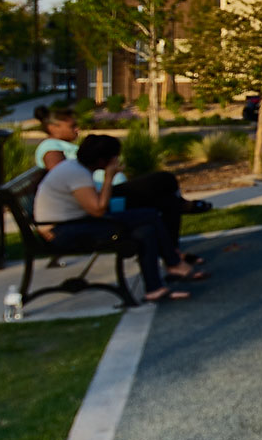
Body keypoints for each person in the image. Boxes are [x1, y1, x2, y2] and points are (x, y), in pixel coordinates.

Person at [31, 105, 213, 266]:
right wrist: (108, 176)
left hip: (106, 194)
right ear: (52, 127)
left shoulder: (62, 146)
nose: (77, 128)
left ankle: (173, 253)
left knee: (166, 201)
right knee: (163, 179)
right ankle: (178, 225)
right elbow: (64, 177)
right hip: (102, 197)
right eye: (72, 126)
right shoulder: (51, 148)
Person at [32, 134, 188, 304]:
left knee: (145, 230)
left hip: (71, 224)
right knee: (149, 215)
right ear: (101, 160)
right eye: (114, 157)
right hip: (62, 232)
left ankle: (155, 289)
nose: (117, 160)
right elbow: (98, 210)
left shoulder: (76, 168)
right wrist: (108, 178)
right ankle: (173, 263)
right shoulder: (76, 173)